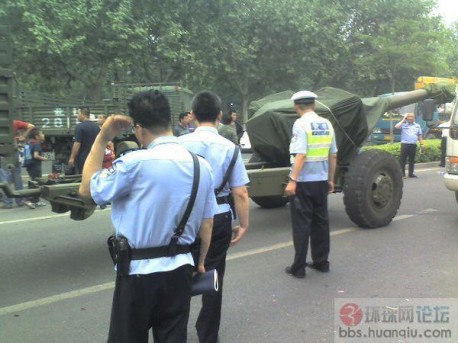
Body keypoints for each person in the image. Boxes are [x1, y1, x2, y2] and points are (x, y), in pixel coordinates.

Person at [79, 90, 217, 343]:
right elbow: (207, 222)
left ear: (139, 128)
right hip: (181, 270)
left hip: (137, 274)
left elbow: (87, 190)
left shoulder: (133, 163)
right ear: (169, 119)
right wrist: (200, 263)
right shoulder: (202, 166)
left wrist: (101, 139)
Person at [179, 91, 250, 343]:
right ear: (219, 116)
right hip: (219, 217)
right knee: (214, 276)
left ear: (193, 115)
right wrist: (243, 224)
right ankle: (208, 336)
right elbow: (240, 192)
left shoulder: (179, 145)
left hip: (183, 221)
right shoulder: (230, 148)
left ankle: (174, 332)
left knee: (179, 274)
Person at [284, 90, 337, 279]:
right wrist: (330, 179)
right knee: (321, 222)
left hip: (304, 183)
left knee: (302, 225)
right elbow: (333, 155)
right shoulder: (327, 124)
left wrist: (292, 181)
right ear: (314, 105)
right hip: (321, 181)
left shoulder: (300, 124)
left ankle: (298, 268)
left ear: (296, 107)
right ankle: (321, 263)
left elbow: (301, 154)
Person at [0, 120, 36, 209]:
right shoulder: (14, 122)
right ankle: (20, 200)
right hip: (14, 151)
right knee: (17, 177)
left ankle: (7, 202)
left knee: (5, 178)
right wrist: (23, 136)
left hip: (3, 153)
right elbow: (31, 126)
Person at [69, 107, 100, 174]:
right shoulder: (97, 127)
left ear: (83, 114)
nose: (78, 116)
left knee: (82, 176)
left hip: (83, 158)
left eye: (78, 114)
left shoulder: (79, 127)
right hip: (95, 158)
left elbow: (77, 143)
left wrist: (72, 158)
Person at [395, 112, 424, 178]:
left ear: (414, 118)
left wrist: (422, 144)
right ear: (407, 117)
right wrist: (403, 120)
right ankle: (402, 174)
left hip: (413, 145)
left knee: (412, 160)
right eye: (409, 116)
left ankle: (411, 173)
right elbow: (396, 126)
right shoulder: (403, 124)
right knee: (403, 159)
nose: (410, 118)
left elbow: (419, 135)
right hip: (405, 144)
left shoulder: (417, 126)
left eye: (412, 117)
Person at [25, 128, 48, 207]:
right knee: (36, 183)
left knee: (34, 182)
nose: (43, 135)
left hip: (29, 165)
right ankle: (28, 199)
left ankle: (36, 201)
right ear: (37, 137)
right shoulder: (37, 143)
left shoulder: (30, 142)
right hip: (35, 166)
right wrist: (44, 158)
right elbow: (36, 155)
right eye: (41, 133)